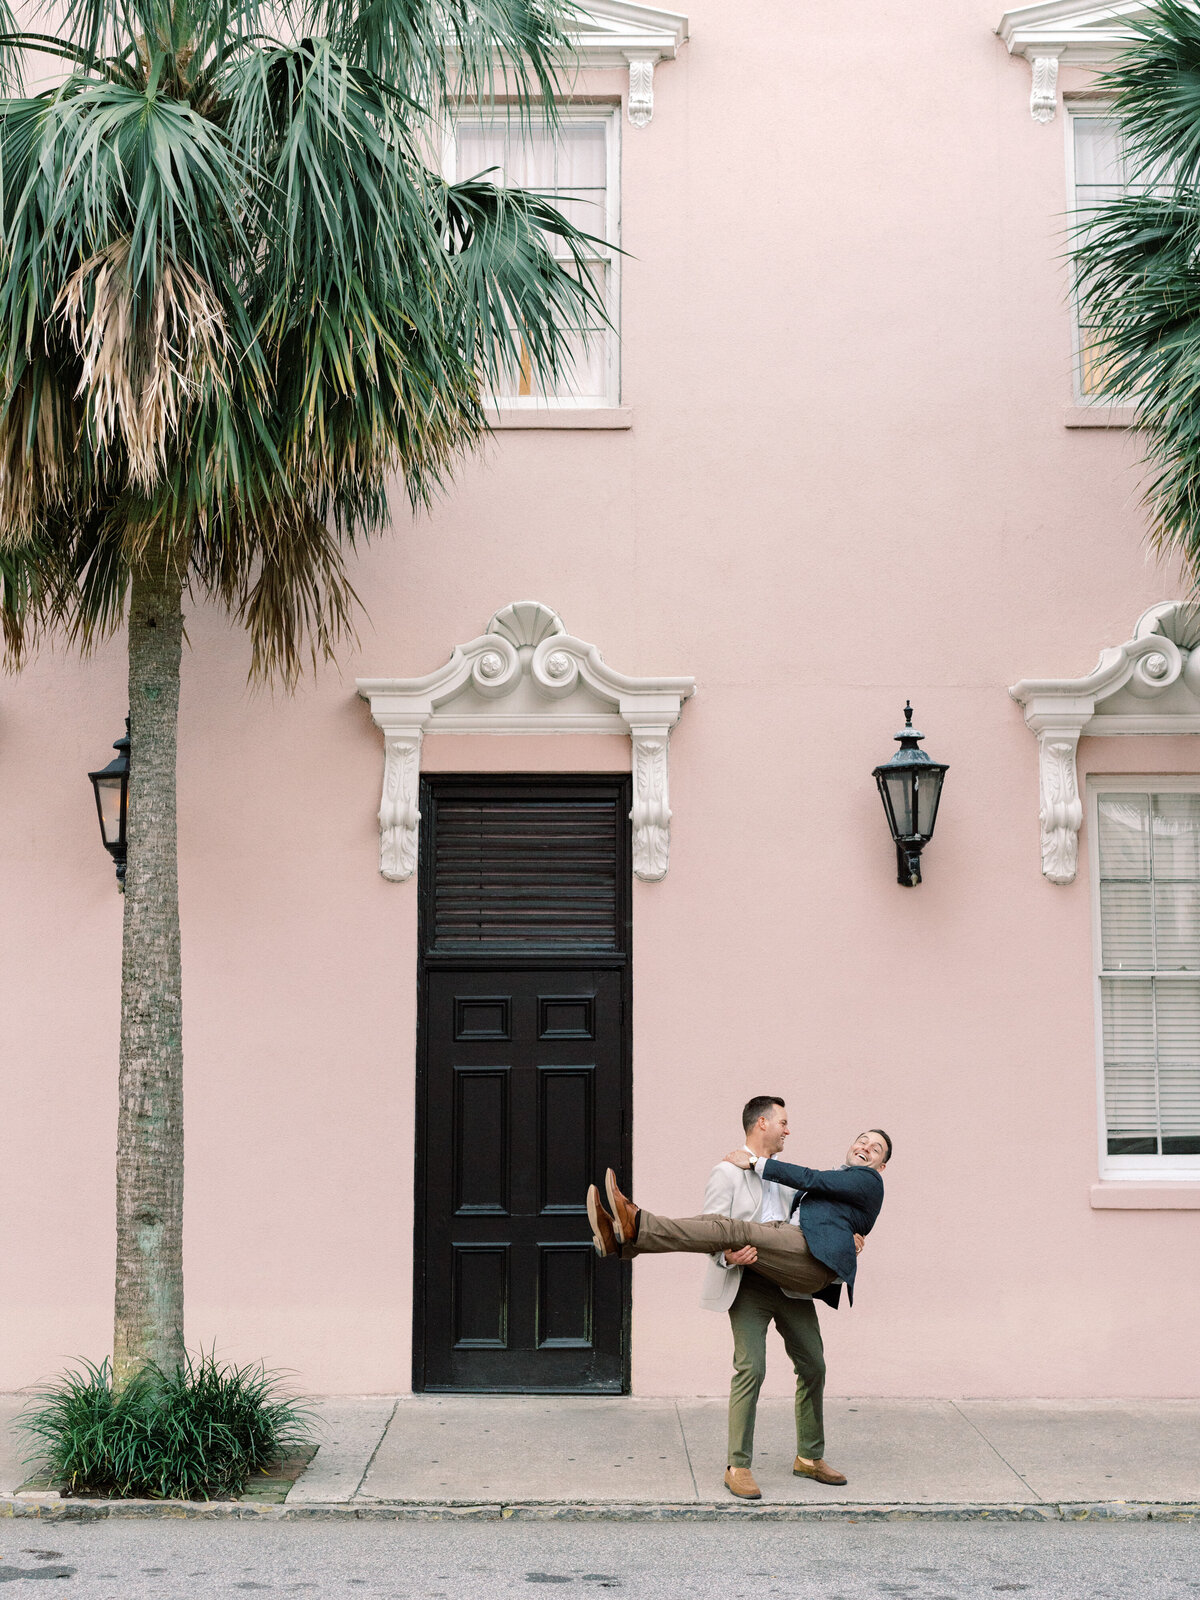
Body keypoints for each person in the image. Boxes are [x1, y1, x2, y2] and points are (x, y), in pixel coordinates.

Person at [586, 1125, 890, 1498]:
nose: (866, 1147)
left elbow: (815, 1195)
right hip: (751, 1278)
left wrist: (847, 1242)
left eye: (876, 1148)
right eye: (862, 1140)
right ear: (761, 1123)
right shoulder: (730, 1173)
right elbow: (711, 1227)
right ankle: (738, 1465)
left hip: (794, 1278)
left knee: (813, 1365)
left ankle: (634, 1231)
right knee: (751, 1367)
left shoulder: (852, 1181)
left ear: (882, 1165)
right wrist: (727, 1256)